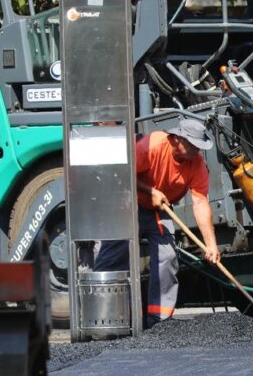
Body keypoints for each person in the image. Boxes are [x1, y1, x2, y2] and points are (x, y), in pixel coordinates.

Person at [94, 117, 219, 328]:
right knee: (114, 255)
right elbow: (120, 174)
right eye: (192, 145)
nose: (196, 151)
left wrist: (211, 245)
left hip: (158, 210)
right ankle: (103, 316)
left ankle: (159, 319)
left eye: (198, 147)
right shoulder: (151, 146)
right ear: (177, 138)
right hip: (128, 203)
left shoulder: (196, 163)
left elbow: (200, 203)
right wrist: (149, 191)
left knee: (167, 257)